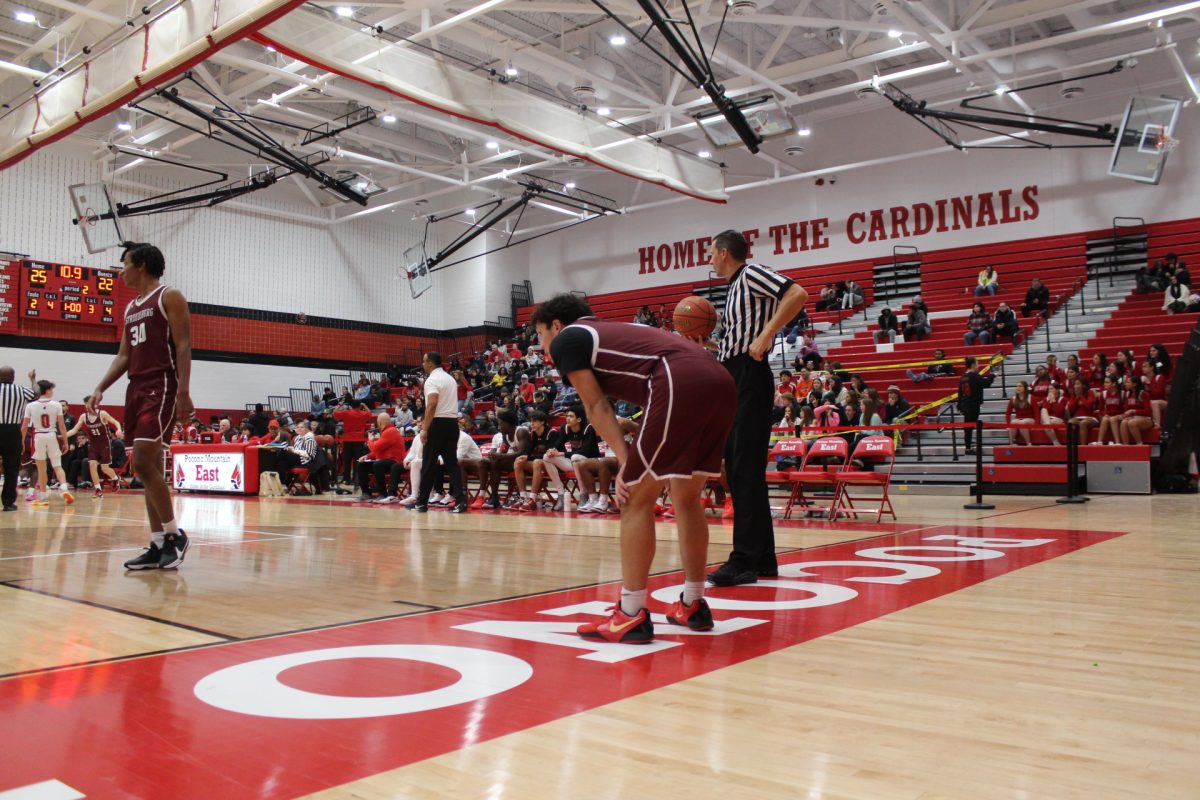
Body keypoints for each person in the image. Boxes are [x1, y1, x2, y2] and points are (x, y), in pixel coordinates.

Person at [532, 292, 737, 643]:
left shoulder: (567, 339)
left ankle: (630, 613)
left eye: (540, 335)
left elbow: (595, 405)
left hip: (678, 379)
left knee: (634, 498)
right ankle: (693, 602)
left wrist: (627, 463)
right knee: (686, 498)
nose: (541, 345)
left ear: (555, 325)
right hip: (721, 380)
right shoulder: (619, 330)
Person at [705, 229, 809, 588]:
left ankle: (743, 559)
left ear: (723, 252)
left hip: (750, 372)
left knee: (744, 468)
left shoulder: (750, 273)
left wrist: (766, 336)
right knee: (740, 469)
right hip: (733, 372)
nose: (709, 260)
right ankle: (762, 556)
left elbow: (797, 293)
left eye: (711, 254)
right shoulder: (734, 288)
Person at [88, 243, 193, 569]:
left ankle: (176, 537)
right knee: (144, 470)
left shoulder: (169, 296)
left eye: (125, 264)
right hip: (136, 387)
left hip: (161, 384)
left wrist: (183, 392)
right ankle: (158, 543)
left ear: (142, 264)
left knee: (146, 463)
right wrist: (100, 387)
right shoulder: (131, 307)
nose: (121, 272)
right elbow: (123, 355)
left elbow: (184, 345)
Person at [410, 352, 467, 513]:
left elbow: (432, 403)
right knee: (452, 464)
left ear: (430, 363)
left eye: (423, 361)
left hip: (437, 423)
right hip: (452, 423)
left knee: (428, 464)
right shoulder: (449, 378)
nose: (422, 364)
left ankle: (421, 503)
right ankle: (460, 502)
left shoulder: (432, 380)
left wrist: (425, 428)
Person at [20, 380, 75, 507]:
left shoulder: (30, 406)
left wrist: (22, 441)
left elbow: (24, 427)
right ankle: (64, 489)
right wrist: (65, 442)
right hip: (52, 435)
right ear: (47, 390)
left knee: (41, 468)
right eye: (52, 389)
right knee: (57, 465)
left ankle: (43, 496)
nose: (53, 391)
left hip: (38, 436)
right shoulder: (56, 405)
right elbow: (61, 425)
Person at [538, 404, 600, 511]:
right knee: (546, 457)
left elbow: (587, 451)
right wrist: (552, 450)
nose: (567, 418)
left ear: (579, 419)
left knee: (575, 457)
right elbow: (558, 445)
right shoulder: (565, 428)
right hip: (574, 463)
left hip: (590, 463)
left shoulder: (588, 428)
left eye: (571, 416)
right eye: (567, 416)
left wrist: (562, 454)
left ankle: (583, 495)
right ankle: (561, 494)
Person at [65, 395, 124, 498]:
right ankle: (98, 489)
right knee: (92, 465)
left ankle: (115, 478)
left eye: (90, 404)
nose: (87, 406)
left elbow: (115, 422)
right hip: (93, 444)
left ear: (95, 405)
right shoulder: (83, 416)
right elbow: (74, 430)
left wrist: (118, 429)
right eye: (86, 404)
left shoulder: (102, 414)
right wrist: (62, 435)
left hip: (105, 443)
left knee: (104, 468)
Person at [0, 367, 38, 511]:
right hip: (12, 432)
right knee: (11, 469)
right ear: (13, 377)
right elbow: (37, 392)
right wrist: (32, 378)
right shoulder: (21, 390)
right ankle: (8, 503)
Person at [358, 411, 407, 500]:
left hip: (395, 461)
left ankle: (382, 493)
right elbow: (380, 449)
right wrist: (367, 456)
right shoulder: (387, 431)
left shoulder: (390, 431)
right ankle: (366, 492)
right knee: (362, 464)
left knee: (378, 464)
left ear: (379, 422)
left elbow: (375, 447)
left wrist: (370, 440)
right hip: (386, 461)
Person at [957, 356, 994, 454]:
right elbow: (985, 383)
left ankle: (968, 445)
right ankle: (968, 448)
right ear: (973, 364)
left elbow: (960, 392)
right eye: (977, 363)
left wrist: (959, 405)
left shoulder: (963, 376)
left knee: (968, 426)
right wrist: (991, 376)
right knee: (970, 426)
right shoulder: (974, 375)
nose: (978, 365)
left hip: (965, 404)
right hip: (973, 404)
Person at [1119, 375, 1153, 445]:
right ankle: (1126, 446)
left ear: (1134, 384)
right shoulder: (1128, 394)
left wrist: (1133, 411)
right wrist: (1127, 415)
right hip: (1133, 418)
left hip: (1146, 418)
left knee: (1132, 423)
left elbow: (1148, 411)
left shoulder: (1143, 394)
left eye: (1128, 382)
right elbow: (1126, 409)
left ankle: (1139, 444)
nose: (1126, 384)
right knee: (1123, 422)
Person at [1004, 381, 1038, 446]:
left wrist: (1037, 424)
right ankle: (1011, 443)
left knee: (1021, 423)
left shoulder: (1031, 398)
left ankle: (1028, 443)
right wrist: (1008, 424)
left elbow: (1036, 412)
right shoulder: (1013, 399)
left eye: (1020, 386)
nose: (1018, 388)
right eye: (1017, 386)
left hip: (1030, 419)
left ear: (1025, 388)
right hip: (1019, 419)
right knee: (1012, 423)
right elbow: (1008, 413)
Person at [1066, 378, 1099, 444]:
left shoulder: (1090, 392)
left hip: (1090, 417)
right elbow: (1070, 409)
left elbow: (1089, 405)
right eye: (1075, 384)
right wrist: (1077, 398)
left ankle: (1083, 446)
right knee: (1070, 422)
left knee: (1083, 423)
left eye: (1078, 384)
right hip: (1077, 418)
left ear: (1083, 385)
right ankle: (1072, 446)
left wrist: (1081, 396)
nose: (1075, 386)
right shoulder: (1074, 395)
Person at [1096, 376, 1124, 445]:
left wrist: (1119, 415)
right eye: (1104, 382)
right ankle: (1099, 441)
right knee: (1105, 419)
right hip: (1109, 416)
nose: (1105, 384)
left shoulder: (1122, 393)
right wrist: (1104, 415)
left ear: (1114, 384)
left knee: (1113, 419)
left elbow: (1126, 408)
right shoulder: (1104, 394)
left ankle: (1117, 442)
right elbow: (1101, 410)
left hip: (1120, 416)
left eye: (1107, 382)